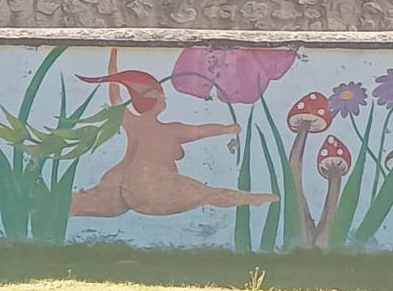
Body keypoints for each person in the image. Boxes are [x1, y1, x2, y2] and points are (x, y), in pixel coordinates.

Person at [68, 65, 276, 219]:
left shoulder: (132, 123)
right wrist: (228, 129)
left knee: (79, 204)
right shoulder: (170, 131)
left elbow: (116, 100)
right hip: (151, 184)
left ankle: (44, 206)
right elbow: (199, 131)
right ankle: (250, 199)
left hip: (118, 179)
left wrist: (113, 69)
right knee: (209, 193)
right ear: (157, 102)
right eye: (162, 98)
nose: (165, 100)